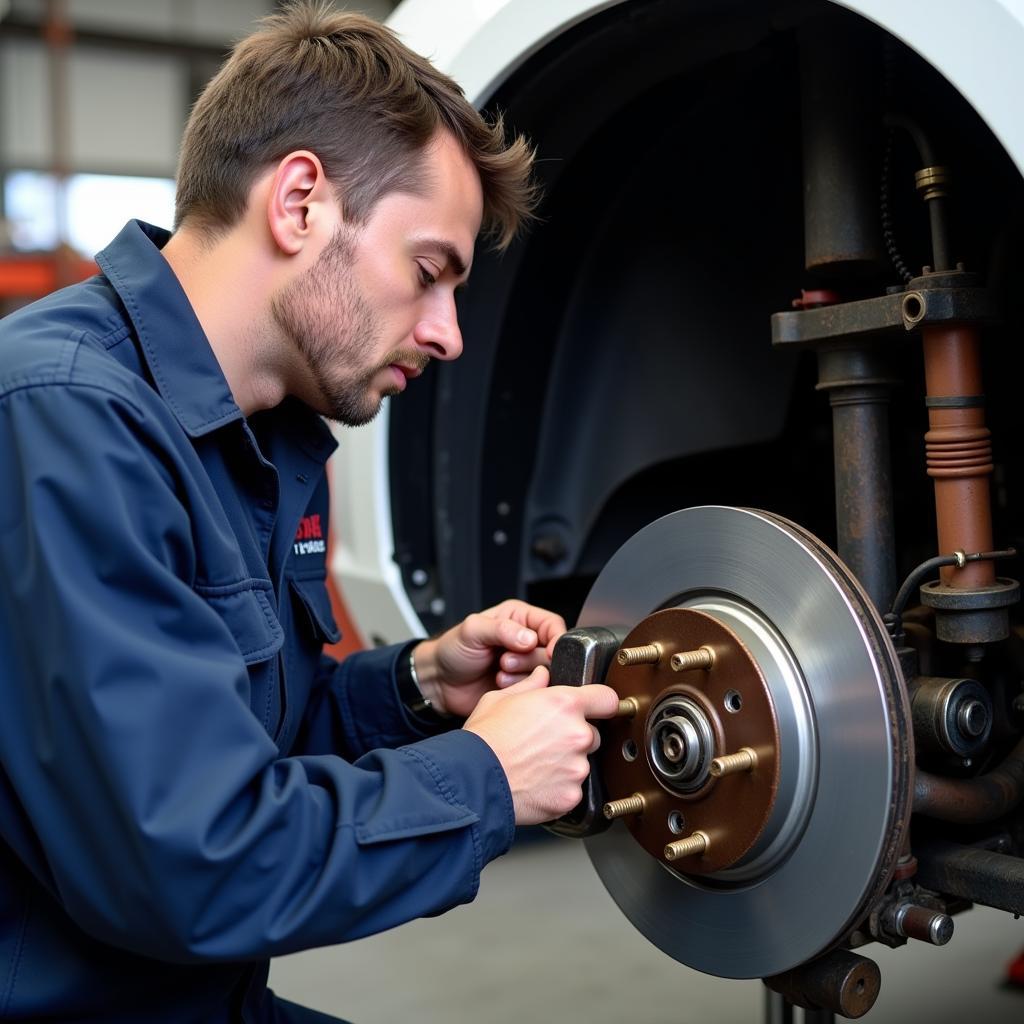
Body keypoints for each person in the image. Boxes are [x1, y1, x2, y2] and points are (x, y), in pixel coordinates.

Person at [0, 4, 620, 1022]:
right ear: (298, 203)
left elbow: (241, 741)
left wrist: (419, 686)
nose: (448, 333)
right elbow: (190, 862)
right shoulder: (64, 422)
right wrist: (486, 777)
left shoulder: (272, 440)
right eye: (428, 273)